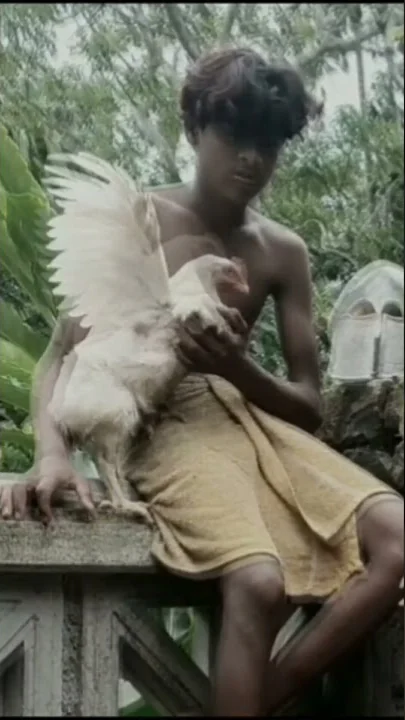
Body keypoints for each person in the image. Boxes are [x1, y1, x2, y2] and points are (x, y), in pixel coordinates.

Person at [1, 47, 403, 716]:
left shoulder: (282, 251)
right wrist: (51, 453)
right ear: (194, 131)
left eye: (268, 143)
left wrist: (235, 366)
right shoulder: (141, 220)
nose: (250, 158)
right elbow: (59, 362)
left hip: (251, 415)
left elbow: (307, 407)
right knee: (256, 580)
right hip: (160, 418)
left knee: (395, 540)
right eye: (234, 137)